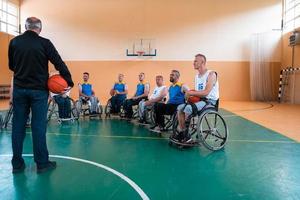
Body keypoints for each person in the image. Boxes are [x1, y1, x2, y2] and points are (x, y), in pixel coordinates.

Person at [8, 17, 74, 173]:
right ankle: (42, 164)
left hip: (19, 90)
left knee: (18, 126)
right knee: (38, 126)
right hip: (38, 92)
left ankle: (17, 165)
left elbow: (11, 66)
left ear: (25, 27)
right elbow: (59, 63)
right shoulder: (45, 43)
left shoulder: (14, 42)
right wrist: (69, 81)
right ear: (40, 29)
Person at [175, 54, 219, 143]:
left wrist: (191, 92)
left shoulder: (211, 74)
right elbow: (198, 93)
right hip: (200, 100)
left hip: (210, 102)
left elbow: (206, 92)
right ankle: (183, 133)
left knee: (187, 108)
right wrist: (189, 95)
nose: (193, 63)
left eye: (195, 61)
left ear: (202, 62)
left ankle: (186, 134)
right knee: (180, 107)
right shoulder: (197, 76)